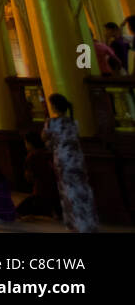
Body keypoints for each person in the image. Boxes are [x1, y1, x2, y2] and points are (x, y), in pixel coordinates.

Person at [44, 93, 98, 232]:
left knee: (69, 192)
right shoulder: (73, 122)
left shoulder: (51, 122)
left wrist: (51, 142)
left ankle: (76, 224)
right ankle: (89, 222)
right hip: (77, 159)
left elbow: (44, 137)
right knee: (83, 190)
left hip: (63, 160)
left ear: (54, 106)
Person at [16, 132, 62, 220]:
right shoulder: (49, 153)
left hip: (40, 191)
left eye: (25, 143)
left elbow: (29, 177)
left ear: (30, 143)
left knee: (20, 210)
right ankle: (53, 212)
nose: (25, 146)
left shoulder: (32, 156)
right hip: (56, 189)